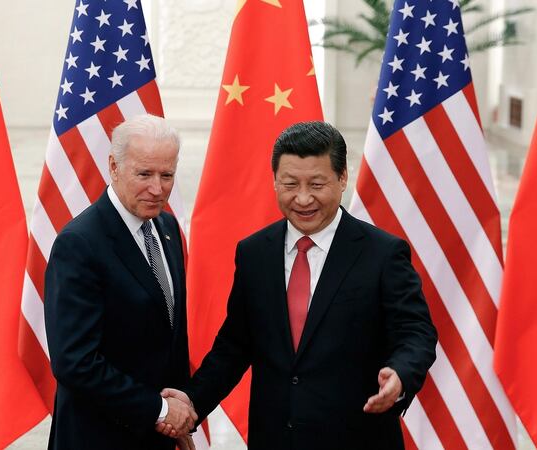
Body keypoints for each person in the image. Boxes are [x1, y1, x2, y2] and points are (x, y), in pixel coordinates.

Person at [161, 121, 437, 449]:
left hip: (357, 438)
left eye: (317, 184)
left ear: (342, 178)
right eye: (290, 184)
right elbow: (235, 346)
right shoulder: (254, 253)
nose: (303, 198)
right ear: (275, 181)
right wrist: (191, 405)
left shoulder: (382, 253)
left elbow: (416, 333)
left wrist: (400, 375)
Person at [44, 115, 196, 450]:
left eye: (167, 175)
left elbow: (169, 336)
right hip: (97, 438)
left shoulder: (168, 229)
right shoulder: (80, 243)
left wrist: (179, 419)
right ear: (114, 167)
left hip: (157, 438)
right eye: (144, 174)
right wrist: (159, 410)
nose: (157, 189)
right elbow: (74, 362)